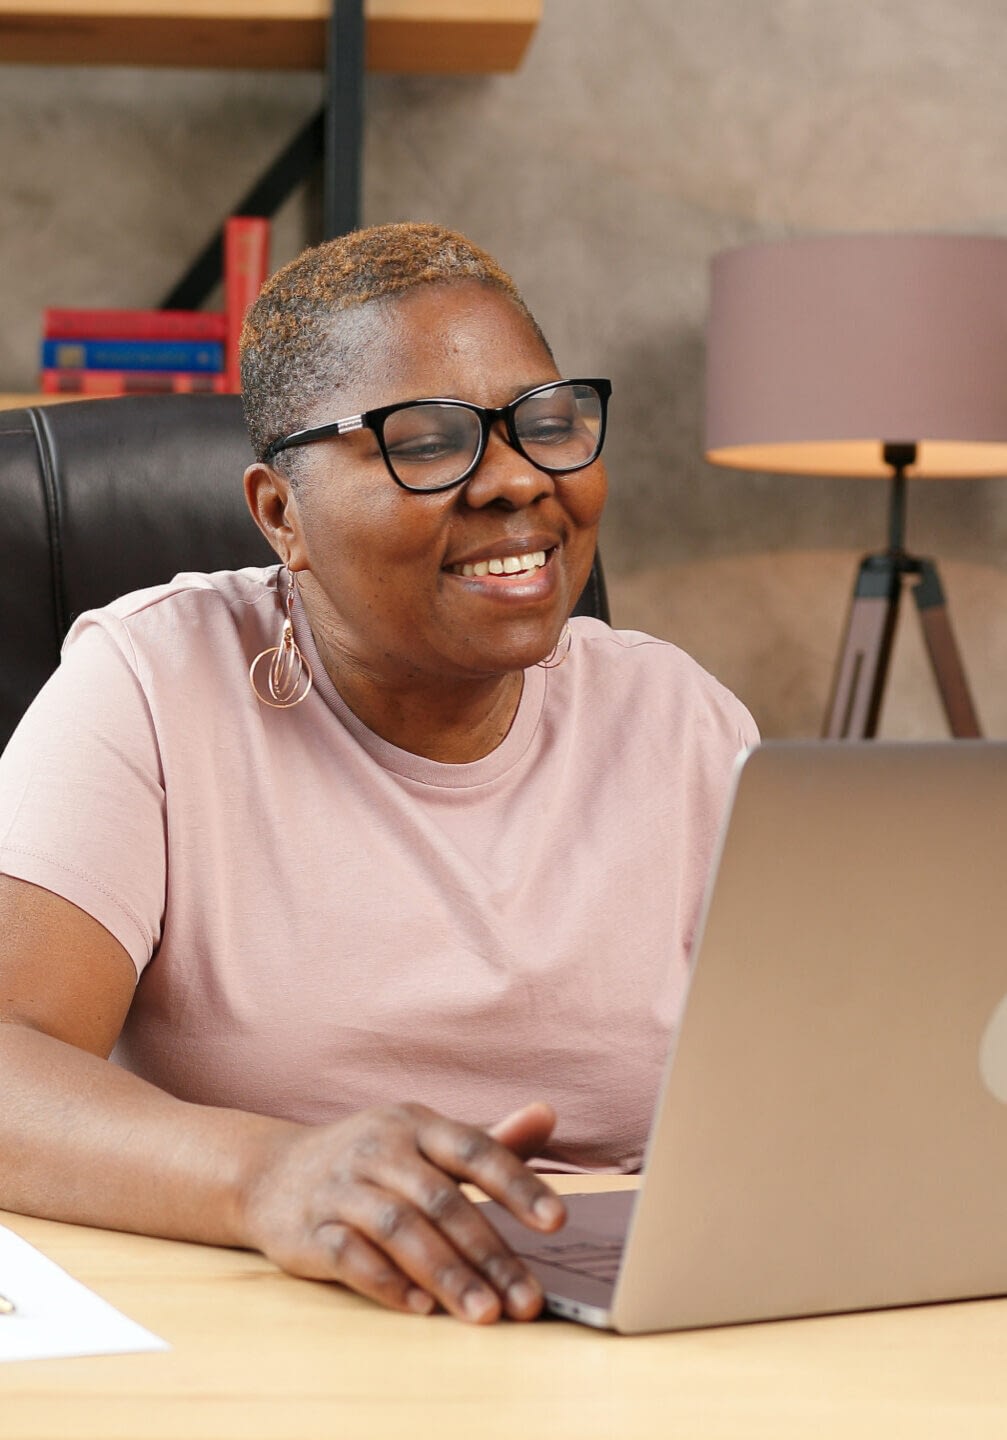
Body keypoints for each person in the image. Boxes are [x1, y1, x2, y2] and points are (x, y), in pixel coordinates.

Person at [0, 222, 757, 1325]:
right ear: (280, 515)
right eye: (428, 440)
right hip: (277, 1324)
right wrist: (271, 1175)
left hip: (619, 1330)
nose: (515, 482)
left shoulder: (677, 714)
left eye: (545, 423)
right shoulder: (150, 681)